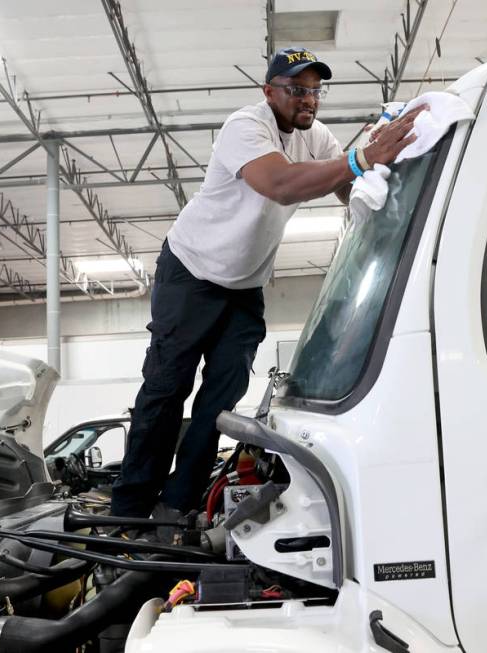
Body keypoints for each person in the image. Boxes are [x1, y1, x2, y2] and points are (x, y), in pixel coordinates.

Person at [111, 46, 424, 518]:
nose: (309, 101)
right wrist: (360, 159)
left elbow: (345, 185)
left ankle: (179, 504)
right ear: (269, 92)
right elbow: (280, 183)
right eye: (297, 90)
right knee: (166, 387)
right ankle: (130, 508)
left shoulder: (316, 136)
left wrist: (391, 171)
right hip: (190, 273)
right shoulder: (246, 126)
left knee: (221, 398)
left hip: (243, 288)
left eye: (316, 91)